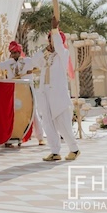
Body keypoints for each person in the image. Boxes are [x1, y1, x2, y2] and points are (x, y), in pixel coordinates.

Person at [30, 18, 80, 161]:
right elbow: (34, 61)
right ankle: (55, 151)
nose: (51, 42)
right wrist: (45, 51)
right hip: (44, 93)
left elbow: (58, 45)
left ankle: (74, 149)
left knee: (61, 122)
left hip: (58, 94)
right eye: (50, 39)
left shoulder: (63, 54)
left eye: (53, 39)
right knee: (47, 121)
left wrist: (54, 30)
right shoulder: (47, 56)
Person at [0, 41, 45, 146]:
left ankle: (40, 137)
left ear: (19, 52)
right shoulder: (8, 63)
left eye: (15, 52)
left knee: (33, 113)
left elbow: (40, 64)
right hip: (15, 92)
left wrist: (34, 69)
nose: (13, 55)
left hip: (27, 91)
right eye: (11, 52)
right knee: (13, 113)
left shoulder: (28, 61)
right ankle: (12, 136)